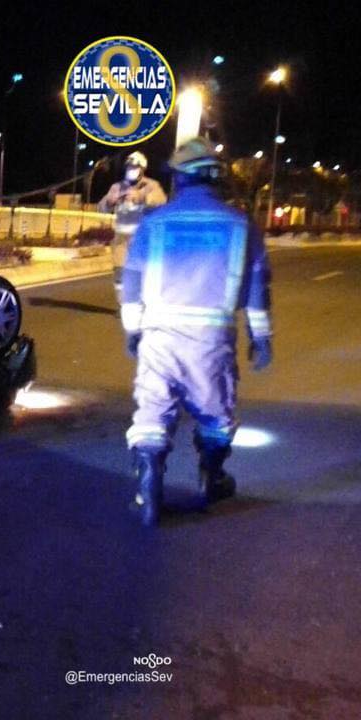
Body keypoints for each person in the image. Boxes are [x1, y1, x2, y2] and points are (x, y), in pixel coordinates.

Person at [120, 138, 272, 526]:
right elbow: (257, 291)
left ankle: (150, 475)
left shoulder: (154, 224)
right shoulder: (242, 227)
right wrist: (261, 339)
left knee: (153, 412)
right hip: (211, 342)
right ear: (216, 179)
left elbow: (132, 282)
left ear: (178, 179)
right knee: (215, 416)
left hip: (159, 336)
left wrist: (133, 330)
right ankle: (211, 477)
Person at [99, 151, 166, 299]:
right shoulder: (117, 187)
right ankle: (123, 303)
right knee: (119, 271)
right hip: (121, 238)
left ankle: (143, 300)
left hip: (142, 238)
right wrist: (109, 201)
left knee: (141, 272)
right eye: (129, 167)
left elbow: (161, 202)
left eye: (135, 167)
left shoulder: (151, 186)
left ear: (142, 169)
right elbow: (102, 206)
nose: (131, 170)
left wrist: (142, 197)